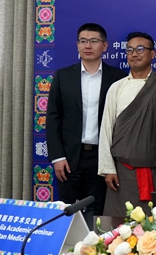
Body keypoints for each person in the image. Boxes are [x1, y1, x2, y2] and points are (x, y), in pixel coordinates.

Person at [46, 23, 127, 215]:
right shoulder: (63, 76)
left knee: (98, 212)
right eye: (83, 41)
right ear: (77, 45)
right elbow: (53, 118)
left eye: (93, 41)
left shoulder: (118, 78)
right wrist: (58, 157)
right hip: (69, 158)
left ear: (104, 46)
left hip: (102, 158)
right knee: (66, 212)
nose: (87, 46)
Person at [98, 32, 156, 217]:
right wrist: (108, 168)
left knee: (153, 226)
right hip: (121, 172)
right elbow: (106, 129)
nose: (134, 54)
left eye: (140, 49)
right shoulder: (117, 87)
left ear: (153, 54)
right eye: (130, 50)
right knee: (118, 225)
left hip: (154, 172)